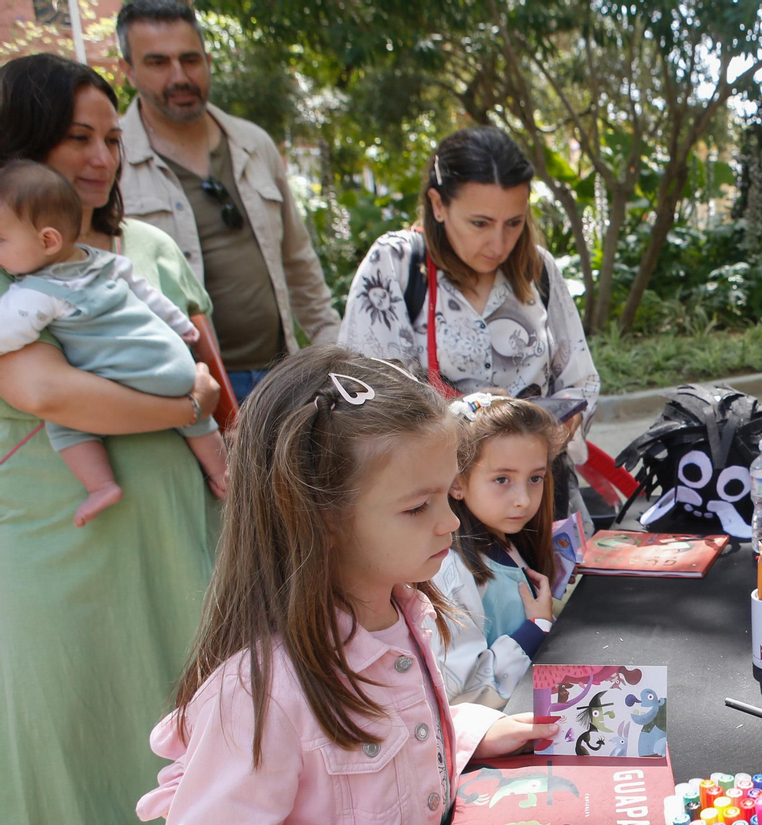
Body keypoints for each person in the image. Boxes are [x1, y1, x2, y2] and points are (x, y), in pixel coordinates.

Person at [137, 348, 559, 825]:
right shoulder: (260, 692)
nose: (449, 523)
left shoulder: (402, 606)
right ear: (320, 517)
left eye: (447, 495)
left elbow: (368, 757)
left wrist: (468, 731)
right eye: (417, 506)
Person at [0, 53, 221, 825]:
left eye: (108, 138)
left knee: (189, 677)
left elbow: (205, 358)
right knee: (43, 712)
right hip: (54, 521)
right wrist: (184, 404)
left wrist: (218, 437)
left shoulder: (137, 252)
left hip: (169, 511)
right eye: (75, 138)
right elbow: (46, 390)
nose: (99, 156)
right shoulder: (11, 261)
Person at [338, 126, 599, 520]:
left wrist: (559, 426)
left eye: (514, 223)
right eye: (480, 223)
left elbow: (581, 382)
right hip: (442, 511)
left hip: (538, 505)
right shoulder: (396, 264)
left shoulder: (538, 268)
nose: (499, 244)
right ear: (438, 205)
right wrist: (465, 427)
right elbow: (367, 401)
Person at [116, 0, 341, 401]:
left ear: (207, 61)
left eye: (190, 60)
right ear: (128, 71)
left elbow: (298, 261)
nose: (179, 77)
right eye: (158, 63)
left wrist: (334, 350)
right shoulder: (112, 162)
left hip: (281, 375)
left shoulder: (253, 144)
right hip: (187, 385)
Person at [0, 161, 227, 525]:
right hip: (176, 364)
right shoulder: (105, 261)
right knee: (198, 423)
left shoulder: (37, 293)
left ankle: (101, 485)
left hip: (130, 372)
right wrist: (180, 326)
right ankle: (223, 474)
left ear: (48, 240)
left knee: (66, 424)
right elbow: (149, 295)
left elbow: (8, 333)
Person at [433, 393, 564, 705]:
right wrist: (537, 628)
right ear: (457, 482)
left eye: (535, 478)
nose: (523, 500)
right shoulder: (449, 570)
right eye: (502, 479)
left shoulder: (505, 539)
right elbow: (463, 693)